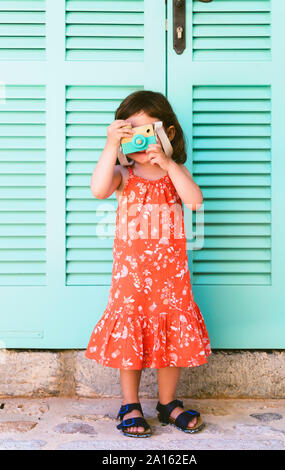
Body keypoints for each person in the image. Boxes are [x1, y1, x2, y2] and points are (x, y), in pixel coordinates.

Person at [85, 90, 211, 438]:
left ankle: (168, 403)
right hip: (132, 277)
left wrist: (169, 164)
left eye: (147, 133)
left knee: (172, 334)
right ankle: (131, 404)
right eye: (131, 134)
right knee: (131, 335)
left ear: (167, 134)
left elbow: (195, 201)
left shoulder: (173, 172)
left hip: (171, 277)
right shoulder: (123, 175)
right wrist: (111, 145)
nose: (140, 142)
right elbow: (98, 189)